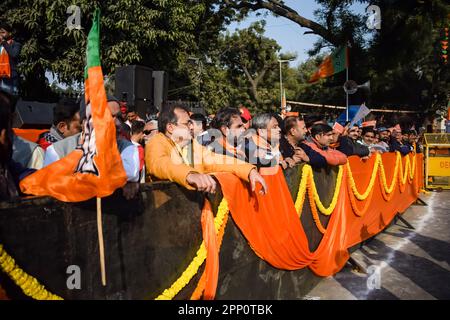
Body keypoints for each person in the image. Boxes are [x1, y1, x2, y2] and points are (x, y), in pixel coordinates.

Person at [145, 104, 267, 194]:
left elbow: (218, 160)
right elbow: (161, 164)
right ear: (171, 127)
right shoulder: (156, 142)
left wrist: (249, 171)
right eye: (187, 124)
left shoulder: (193, 146)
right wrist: (190, 175)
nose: (192, 127)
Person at [0, 23, 21, 95]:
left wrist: (4, 43)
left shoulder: (15, 44)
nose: (1, 34)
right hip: (1, 76)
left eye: (3, 32)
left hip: (10, 78)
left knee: (9, 102)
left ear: (9, 33)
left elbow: (14, 54)